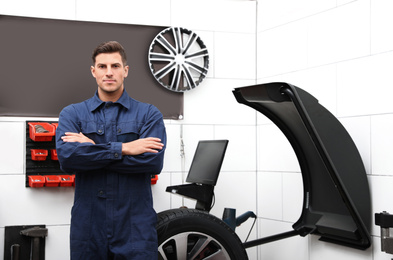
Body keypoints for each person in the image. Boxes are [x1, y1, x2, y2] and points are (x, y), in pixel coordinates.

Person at [55, 41, 166, 260]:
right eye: (102, 66)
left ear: (125, 71)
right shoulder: (72, 114)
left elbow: (152, 163)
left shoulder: (149, 114)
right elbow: (68, 159)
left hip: (135, 226)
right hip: (88, 226)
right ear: (93, 71)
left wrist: (92, 150)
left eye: (115, 66)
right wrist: (125, 148)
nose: (109, 72)